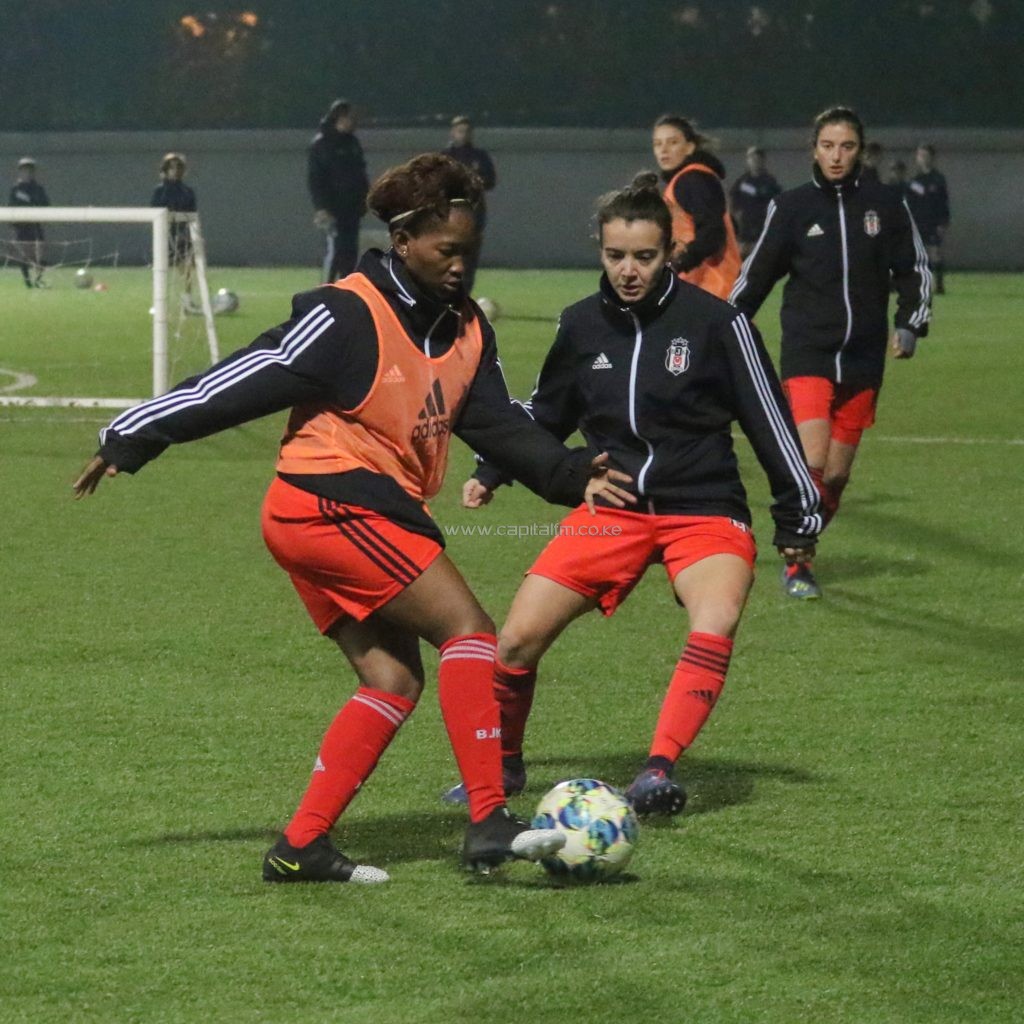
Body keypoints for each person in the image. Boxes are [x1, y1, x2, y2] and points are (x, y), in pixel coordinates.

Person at [72, 154, 634, 884]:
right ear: (403, 243)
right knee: (469, 632)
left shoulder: (465, 330)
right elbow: (244, 375)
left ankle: (300, 845)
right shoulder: (348, 313)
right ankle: (490, 817)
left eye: (470, 251)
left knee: (393, 681)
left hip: (358, 513)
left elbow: (499, 428)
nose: (462, 267)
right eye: (446, 251)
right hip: (328, 502)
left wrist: (569, 472)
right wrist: (134, 432)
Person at [441, 175, 821, 815]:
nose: (628, 270)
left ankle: (657, 770)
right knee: (513, 643)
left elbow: (770, 420)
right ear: (601, 250)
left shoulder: (717, 323)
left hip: (702, 509)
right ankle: (503, 766)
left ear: (669, 251)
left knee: (715, 618)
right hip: (610, 511)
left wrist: (797, 512)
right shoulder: (582, 325)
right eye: (616, 255)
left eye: (643, 256)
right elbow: (547, 411)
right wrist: (493, 467)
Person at [730, 106, 932, 599]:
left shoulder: (886, 204)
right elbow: (757, 275)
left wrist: (910, 323)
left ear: (860, 151)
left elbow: (913, 270)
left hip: (863, 356)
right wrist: (723, 324)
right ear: (813, 150)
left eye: (846, 146)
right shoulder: (793, 206)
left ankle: (806, 536)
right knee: (813, 458)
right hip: (808, 350)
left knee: (837, 476)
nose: (836, 156)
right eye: (828, 146)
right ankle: (797, 562)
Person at [652, 114, 741, 300]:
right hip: (701, 291)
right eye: (657, 144)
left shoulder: (692, 179)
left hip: (712, 291)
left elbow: (712, 233)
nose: (664, 149)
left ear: (690, 147)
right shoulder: (687, 180)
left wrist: (676, 264)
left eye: (672, 142)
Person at [307, 98, 369, 283]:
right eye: (351, 117)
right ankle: (326, 288)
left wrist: (364, 198)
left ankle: (345, 288)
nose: (354, 122)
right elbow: (316, 179)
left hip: (352, 208)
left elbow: (360, 173)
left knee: (350, 252)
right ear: (340, 118)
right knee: (335, 251)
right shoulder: (322, 144)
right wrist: (321, 207)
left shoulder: (352, 143)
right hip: (333, 209)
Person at [442, 115, 497, 295]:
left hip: (474, 217)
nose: (463, 134)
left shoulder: (479, 156)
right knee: (449, 259)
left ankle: (464, 296)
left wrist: (475, 182)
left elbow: (491, 180)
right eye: (460, 131)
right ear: (453, 132)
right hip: (449, 219)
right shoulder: (445, 157)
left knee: (470, 261)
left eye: (467, 131)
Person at [150, 152, 198, 304]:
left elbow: (192, 215)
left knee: (186, 268)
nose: (175, 171)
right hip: (164, 235)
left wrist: (188, 233)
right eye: (171, 167)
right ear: (165, 170)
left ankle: (187, 299)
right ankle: (159, 301)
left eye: (179, 167)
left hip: (183, 234)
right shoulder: (159, 191)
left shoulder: (187, 191)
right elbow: (155, 211)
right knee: (160, 269)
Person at [907, 144, 950, 294]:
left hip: (934, 222)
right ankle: (921, 284)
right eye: (920, 156)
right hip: (918, 222)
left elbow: (943, 202)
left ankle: (938, 285)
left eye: (926, 156)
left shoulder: (938, 179)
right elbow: (910, 203)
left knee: (935, 252)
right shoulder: (914, 181)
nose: (923, 159)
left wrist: (943, 222)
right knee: (918, 254)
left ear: (932, 158)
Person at [728, 146, 783, 259]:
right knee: (743, 254)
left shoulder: (770, 182)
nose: (755, 162)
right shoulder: (742, 181)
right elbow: (733, 201)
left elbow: (778, 202)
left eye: (758, 159)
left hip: (763, 224)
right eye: (752, 159)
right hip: (745, 225)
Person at [9, 157, 49, 288]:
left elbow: (46, 205)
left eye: (30, 169)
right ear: (20, 171)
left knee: (39, 254)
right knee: (23, 255)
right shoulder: (15, 189)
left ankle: (38, 280)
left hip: (35, 225)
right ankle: (28, 282)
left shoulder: (38, 188)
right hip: (21, 226)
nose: (27, 172)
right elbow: (11, 207)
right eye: (24, 169)